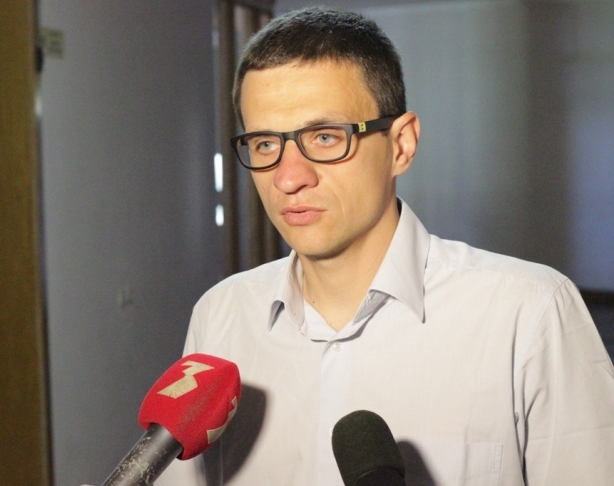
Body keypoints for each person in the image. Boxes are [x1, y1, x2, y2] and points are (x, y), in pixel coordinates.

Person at [152, 7, 614, 486]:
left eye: (325, 137)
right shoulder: (221, 315)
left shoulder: (529, 314)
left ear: (401, 145)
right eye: (266, 144)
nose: (289, 178)